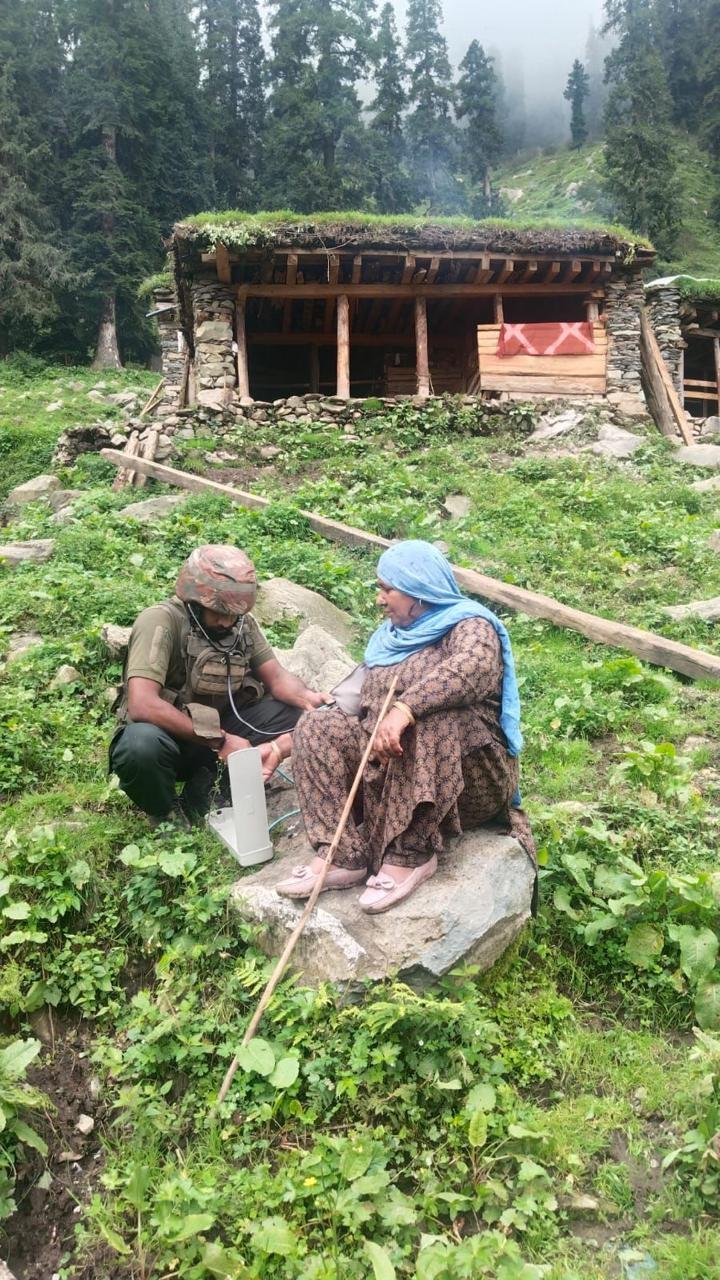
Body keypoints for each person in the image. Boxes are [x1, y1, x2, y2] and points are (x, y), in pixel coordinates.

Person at [276, 539, 535, 913]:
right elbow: (350, 698)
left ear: (419, 589)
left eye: (387, 589)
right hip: (394, 771)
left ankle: (412, 852)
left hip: (469, 777)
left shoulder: (471, 625)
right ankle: (342, 853)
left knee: (433, 717)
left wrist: (405, 709)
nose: (380, 599)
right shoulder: (388, 640)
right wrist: (285, 744)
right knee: (318, 725)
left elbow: (472, 670)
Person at [110, 544, 329, 825]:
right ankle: (164, 812)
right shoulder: (161, 621)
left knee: (301, 718)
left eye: (233, 614)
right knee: (138, 746)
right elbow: (142, 704)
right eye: (218, 612)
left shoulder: (241, 625)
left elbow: (276, 677)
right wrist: (220, 740)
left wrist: (308, 698)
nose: (227, 622)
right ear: (194, 599)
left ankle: (207, 791)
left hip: (223, 733)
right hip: (172, 739)